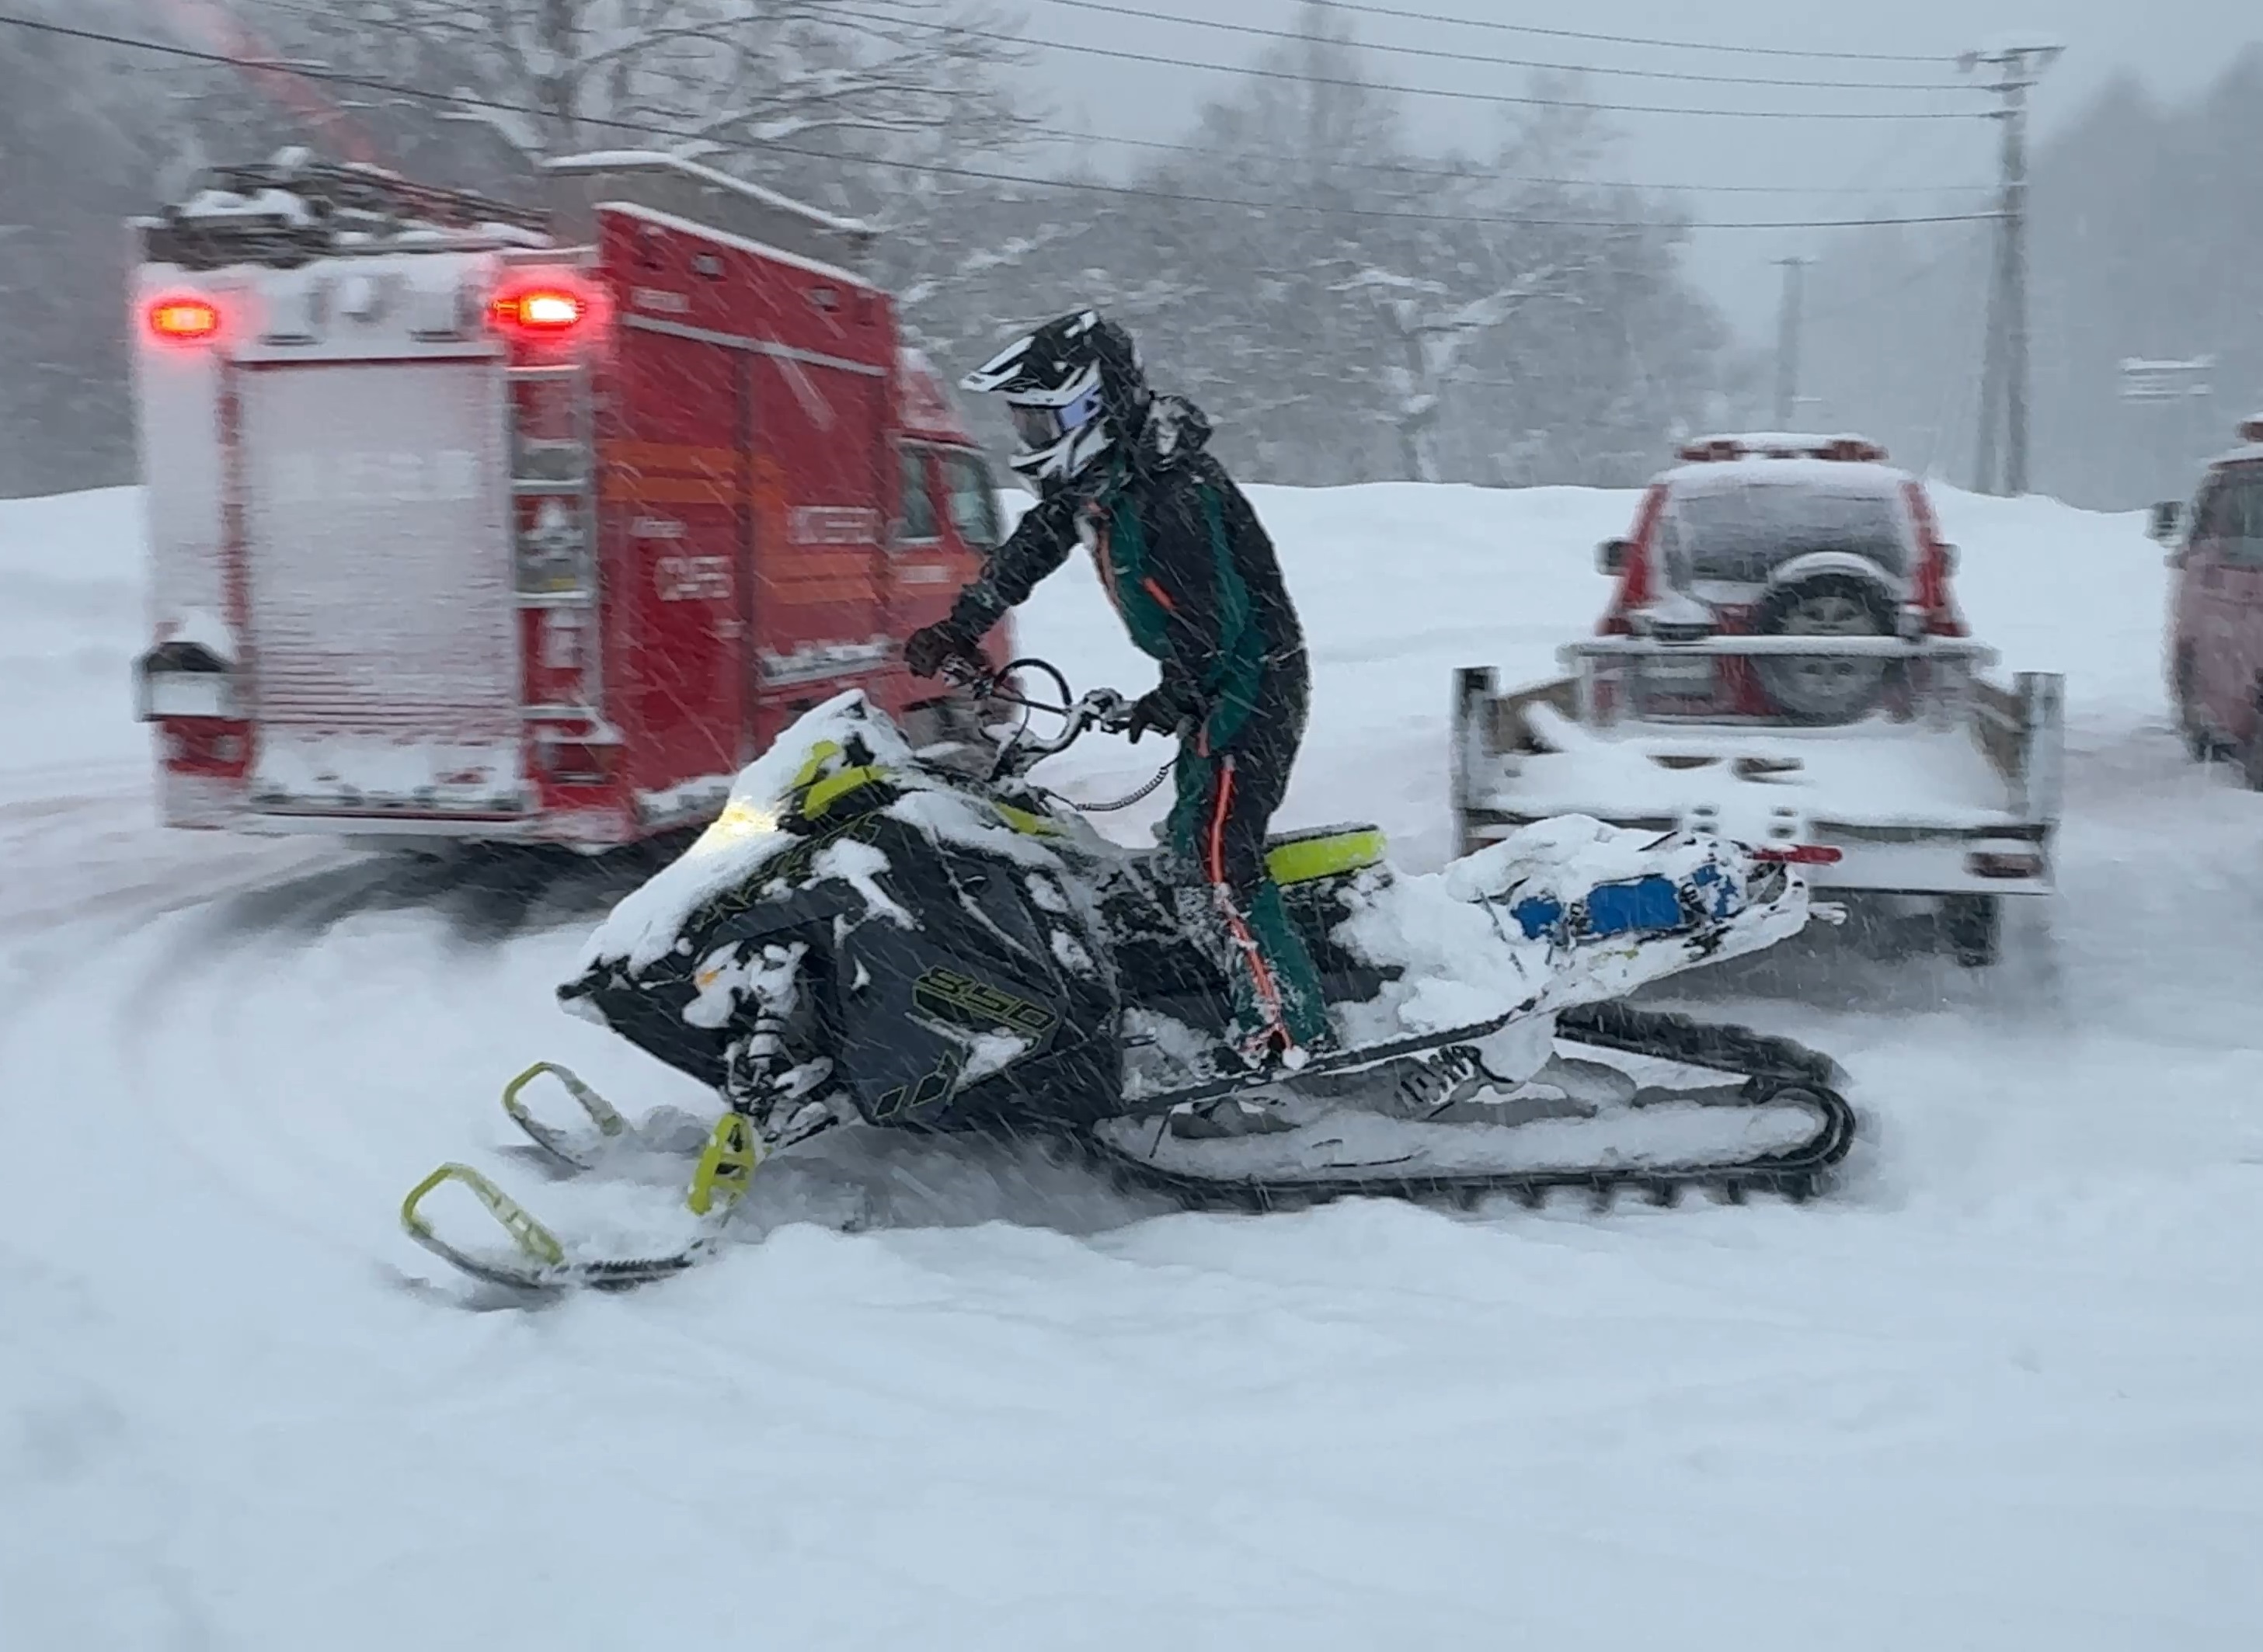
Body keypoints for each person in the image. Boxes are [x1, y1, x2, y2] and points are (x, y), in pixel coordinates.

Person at [904, 310, 1332, 1073]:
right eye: (1024, 420)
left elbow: (1219, 619)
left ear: (1092, 406)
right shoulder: (1102, 482)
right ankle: (1227, 987)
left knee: (1215, 855)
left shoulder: (1172, 491)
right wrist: (966, 623)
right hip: (1217, 684)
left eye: (1044, 418)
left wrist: (1173, 697)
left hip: (1250, 685)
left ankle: (1287, 1036)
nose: (1032, 437)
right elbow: (1035, 543)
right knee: (1181, 849)